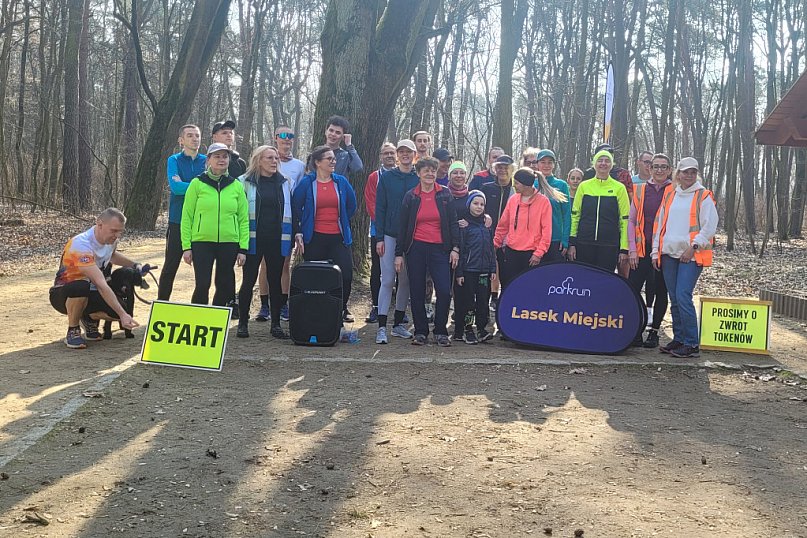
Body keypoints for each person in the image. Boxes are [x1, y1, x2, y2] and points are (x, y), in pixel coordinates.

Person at [652, 157, 718, 358]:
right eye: (685, 172)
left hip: (691, 255)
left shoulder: (703, 196)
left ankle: (691, 343)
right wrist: (656, 250)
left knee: (683, 295)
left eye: (692, 172)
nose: (689, 175)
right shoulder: (670, 194)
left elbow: (710, 226)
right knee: (675, 298)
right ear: (678, 174)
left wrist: (694, 246)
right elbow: (660, 224)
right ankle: (679, 339)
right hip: (669, 254)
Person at [49, 208, 140, 349]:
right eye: (114, 231)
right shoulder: (81, 244)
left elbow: (113, 256)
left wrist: (135, 265)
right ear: (99, 224)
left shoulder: (110, 241)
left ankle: (87, 317)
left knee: (118, 311)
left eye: (120, 231)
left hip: (92, 291)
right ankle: (73, 330)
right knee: (81, 286)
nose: (117, 235)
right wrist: (123, 315)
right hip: (64, 293)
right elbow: (101, 283)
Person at [395, 157, 460, 346]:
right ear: (419, 173)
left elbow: (453, 223)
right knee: (416, 290)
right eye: (426, 170)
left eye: (433, 170)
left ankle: (440, 330)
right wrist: (398, 254)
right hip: (416, 248)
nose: (430, 174)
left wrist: (455, 248)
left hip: (440, 249)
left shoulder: (445, 195)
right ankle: (421, 331)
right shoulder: (411, 196)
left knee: (443, 290)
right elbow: (403, 227)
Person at [292, 145, 357, 324]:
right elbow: (296, 206)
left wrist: (341, 219)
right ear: (318, 163)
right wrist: (299, 231)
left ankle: (341, 309)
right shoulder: (307, 182)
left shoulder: (341, 182)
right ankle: (315, 311)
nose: (333, 161)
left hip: (339, 237)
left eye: (334, 158)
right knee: (315, 277)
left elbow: (351, 205)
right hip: (314, 238)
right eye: (329, 159)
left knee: (345, 275)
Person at [235, 145, 294, 339]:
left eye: (276, 158)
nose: (274, 161)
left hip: (277, 240)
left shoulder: (285, 182)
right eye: (269, 158)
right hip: (252, 240)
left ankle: (276, 325)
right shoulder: (244, 182)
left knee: (275, 282)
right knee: (248, 281)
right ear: (259, 160)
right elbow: (238, 214)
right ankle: (243, 323)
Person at [181, 143, 249, 307]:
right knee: (203, 284)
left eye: (225, 156)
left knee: (223, 285)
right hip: (202, 242)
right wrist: (186, 246)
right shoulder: (197, 183)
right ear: (208, 160)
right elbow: (187, 216)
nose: (221, 160)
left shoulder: (236, 186)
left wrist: (243, 249)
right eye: (217, 156)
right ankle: (197, 318)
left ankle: (216, 322)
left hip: (229, 242)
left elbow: (243, 219)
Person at [255, 126, 304, 323]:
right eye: (283, 136)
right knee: (265, 265)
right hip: (265, 220)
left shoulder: (300, 166)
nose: (287, 139)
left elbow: (298, 195)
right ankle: (264, 305)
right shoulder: (264, 159)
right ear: (275, 138)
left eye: (290, 136)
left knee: (285, 263)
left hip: (287, 221)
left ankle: (284, 304)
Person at [374, 139, 420, 344]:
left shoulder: (419, 178)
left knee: (406, 280)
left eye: (408, 152)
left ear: (414, 155)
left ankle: (398, 324)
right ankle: (381, 327)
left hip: (412, 237)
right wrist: (379, 237)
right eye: (401, 152)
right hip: (390, 235)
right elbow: (380, 208)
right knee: (387, 279)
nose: (404, 155)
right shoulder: (386, 178)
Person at [628, 153, 673, 348]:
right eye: (656, 166)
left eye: (664, 166)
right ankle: (635, 330)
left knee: (660, 289)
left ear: (670, 170)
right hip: (641, 247)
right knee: (633, 288)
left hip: (665, 249)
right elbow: (630, 220)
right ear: (649, 168)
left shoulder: (675, 190)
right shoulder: (639, 190)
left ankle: (654, 332)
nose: (659, 170)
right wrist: (631, 249)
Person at [159, 124, 206, 301]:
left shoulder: (206, 160)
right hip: (178, 220)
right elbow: (176, 188)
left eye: (197, 135)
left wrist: (187, 185)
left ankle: (198, 309)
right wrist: (198, 186)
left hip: (201, 222)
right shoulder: (174, 160)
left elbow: (209, 188)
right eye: (190, 135)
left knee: (202, 271)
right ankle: (162, 306)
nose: (195, 139)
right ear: (181, 140)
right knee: (170, 266)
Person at [568, 149, 630, 272]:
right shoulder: (584, 186)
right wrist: (572, 243)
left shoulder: (619, 188)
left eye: (607, 161)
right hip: (584, 243)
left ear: (611, 165)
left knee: (604, 280)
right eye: (600, 160)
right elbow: (575, 215)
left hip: (609, 245)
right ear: (594, 164)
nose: (603, 163)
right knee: (583, 279)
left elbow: (625, 219)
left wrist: (624, 248)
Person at [493, 168, 553, 290]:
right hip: (511, 251)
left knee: (529, 287)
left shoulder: (543, 202)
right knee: (508, 284)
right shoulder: (513, 199)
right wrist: (495, 243)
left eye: (517, 183)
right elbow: (503, 225)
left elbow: (547, 231)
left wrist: (538, 253)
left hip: (531, 254)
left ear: (526, 185)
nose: (514, 185)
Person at [211, 120, 247, 317]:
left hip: (231, 225)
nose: (229, 136)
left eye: (231, 133)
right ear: (214, 136)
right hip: (207, 226)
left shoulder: (239, 163)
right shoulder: (206, 161)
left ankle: (230, 301)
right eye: (224, 132)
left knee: (227, 267)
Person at [455, 190, 496, 344]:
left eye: (482, 204)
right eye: (475, 203)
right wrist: (459, 272)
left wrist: (492, 268)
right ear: (469, 204)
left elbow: (491, 248)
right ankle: (467, 329)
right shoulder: (464, 226)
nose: (479, 207)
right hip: (469, 270)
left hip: (484, 271)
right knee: (468, 302)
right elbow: (461, 250)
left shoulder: (487, 226)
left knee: (483, 302)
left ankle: (481, 329)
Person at [364, 142, 398, 324]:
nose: (389, 156)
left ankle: (399, 309)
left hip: (399, 232)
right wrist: (383, 225)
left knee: (400, 270)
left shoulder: (403, 175)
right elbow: (371, 203)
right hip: (378, 231)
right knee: (377, 269)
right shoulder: (374, 177)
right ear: (380, 156)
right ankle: (376, 307)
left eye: (392, 153)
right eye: (386, 153)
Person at [480, 153, 515, 310]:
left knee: (506, 270)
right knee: (487, 270)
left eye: (505, 167)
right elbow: (479, 209)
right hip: (488, 235)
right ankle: (486, 302)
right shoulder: (487, 188)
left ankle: (504, 301)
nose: (502, 170)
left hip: (510, 237)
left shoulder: (517, 189)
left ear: (511, 169)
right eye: (499, 167)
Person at [524, 148, 570, 262]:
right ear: (537, 164)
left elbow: (566, 214)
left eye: (550, 162)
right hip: (535, 240)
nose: (546, 165)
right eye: (543, 162)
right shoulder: (531, 184)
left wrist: (565, 239)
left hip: (555, 239)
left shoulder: (561, 185)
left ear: (554, 164)